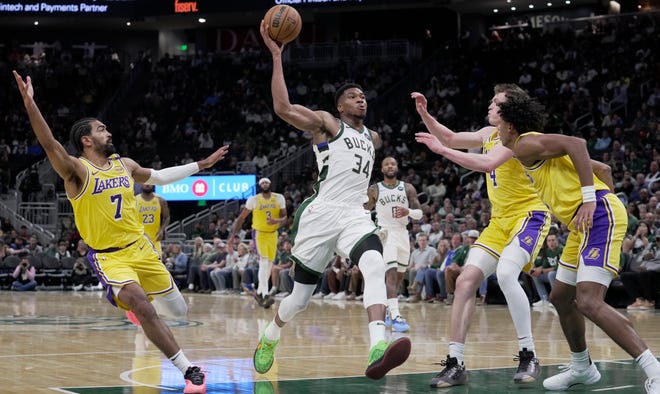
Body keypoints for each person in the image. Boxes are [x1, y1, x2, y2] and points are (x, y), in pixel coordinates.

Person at [13, 70, 230, 394]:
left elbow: (159, 176)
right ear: (86, 140)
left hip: (142, 249)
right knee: (141, 305)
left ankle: (136, 303)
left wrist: (201, 165)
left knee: (178, 311)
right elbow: (49, 143)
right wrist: (31, 104)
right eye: (101, 129)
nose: (108, 131)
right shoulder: (76, 170)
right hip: (110, 258)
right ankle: (188, 369)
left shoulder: (124, 164)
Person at [253, 22, 410, 381]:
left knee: (374, 263)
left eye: (363, 96)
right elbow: (282, 107)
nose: (362, 99)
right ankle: (270, 335)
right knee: (300, 299)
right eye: (354, 96)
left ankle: (377, 347)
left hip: (355, 215)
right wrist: (277, 56)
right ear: (340, 106)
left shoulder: (371, 136)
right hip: (321, 213)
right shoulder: (327, 124)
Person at [496, 91, 660, 392]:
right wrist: (599, 199)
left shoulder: (524, 143)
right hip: (581, 225)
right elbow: (603, 169)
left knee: (588, 301)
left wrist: (592, 201)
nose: (491, 114)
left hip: (596, 216)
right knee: (560, 296)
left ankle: (654, 370)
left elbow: (577, 143)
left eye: (495, 110)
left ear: (509, 124)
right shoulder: (531, 149)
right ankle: (583, 367)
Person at [413, 85, 551, 387]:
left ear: (509, 112)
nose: (489, 105)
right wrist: (425, 114)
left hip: (530, 217)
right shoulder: (488, 133)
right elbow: (449, 136)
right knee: (464, 281)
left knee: (505, 274)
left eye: (495, 102)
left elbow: (485, 163)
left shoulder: (519, 139)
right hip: (499, 222)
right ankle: (455, 362)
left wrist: (442, 151)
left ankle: (529, 353)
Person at [364, 156, 422, 333]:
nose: (390, 166)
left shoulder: (408, 188)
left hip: (403, 234)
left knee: (398, 277)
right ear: (382, 169)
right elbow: (363, 209)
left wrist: (408, 211)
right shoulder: (375, 189)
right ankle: (396, 316)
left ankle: (389, 310)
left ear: (397, 167)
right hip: (385, 234)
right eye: (386, 164)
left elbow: (419, 213)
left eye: (393, 164)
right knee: (390, 274)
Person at [230, 177, 287, 308]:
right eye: (262, 183)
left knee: (269, 264)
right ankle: (266, 294)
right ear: (259, 186)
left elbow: (285, 217)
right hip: (259, 233)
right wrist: (233, 234)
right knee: (263, 262)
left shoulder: (279, 198)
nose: (265, 184)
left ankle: (259, 293)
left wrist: (277, 221)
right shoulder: (254, 200)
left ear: (270, 184)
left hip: (273, 234)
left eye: (267, 182)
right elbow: (241, 218)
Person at [136, 183, 170, 254]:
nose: (147, 184)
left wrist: (162, 230)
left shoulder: (160, 200)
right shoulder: (135, 200)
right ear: (141, 184)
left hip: (155, 238)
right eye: (145, 182)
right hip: (140, 239)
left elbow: (166, 217)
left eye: (150, 182)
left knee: (157, 262)